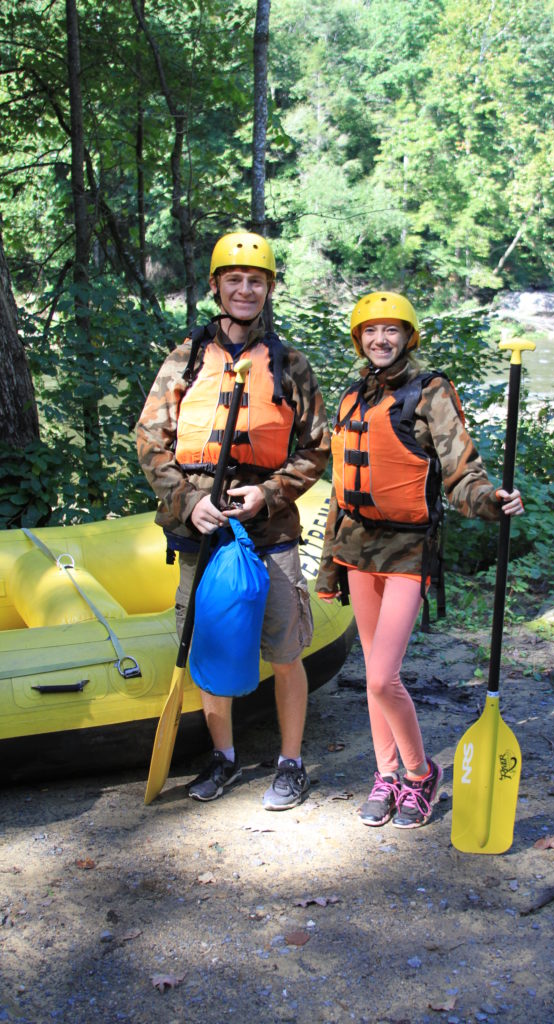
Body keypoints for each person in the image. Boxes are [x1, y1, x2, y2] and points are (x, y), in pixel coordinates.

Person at [315, 292, 524, 829]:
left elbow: (461, 472)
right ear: (359, 339)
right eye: (370, 331)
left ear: (409, 336)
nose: (380, 339)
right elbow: (340, 483)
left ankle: (418, 773)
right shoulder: (352, 397)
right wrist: (328, 561)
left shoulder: (431, 392)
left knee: (384, 677)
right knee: (371, 677)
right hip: (358, 548)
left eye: (392, 330)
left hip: (408, 548)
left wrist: (490, 501)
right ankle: (385, 777)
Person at [137, 231, 330, 809]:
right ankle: (223, 756)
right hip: (203, 530)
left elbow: (316, 449)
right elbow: (151, 439)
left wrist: (268, 491)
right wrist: (185, 500)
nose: (245, 289)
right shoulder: (186, 359)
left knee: (285, 649)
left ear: (268, 289)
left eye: (256, 281)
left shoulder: (291, 364)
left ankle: (291, 762)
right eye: (235, 279)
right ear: (218, 287)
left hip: (269, 533)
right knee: (209, 646)